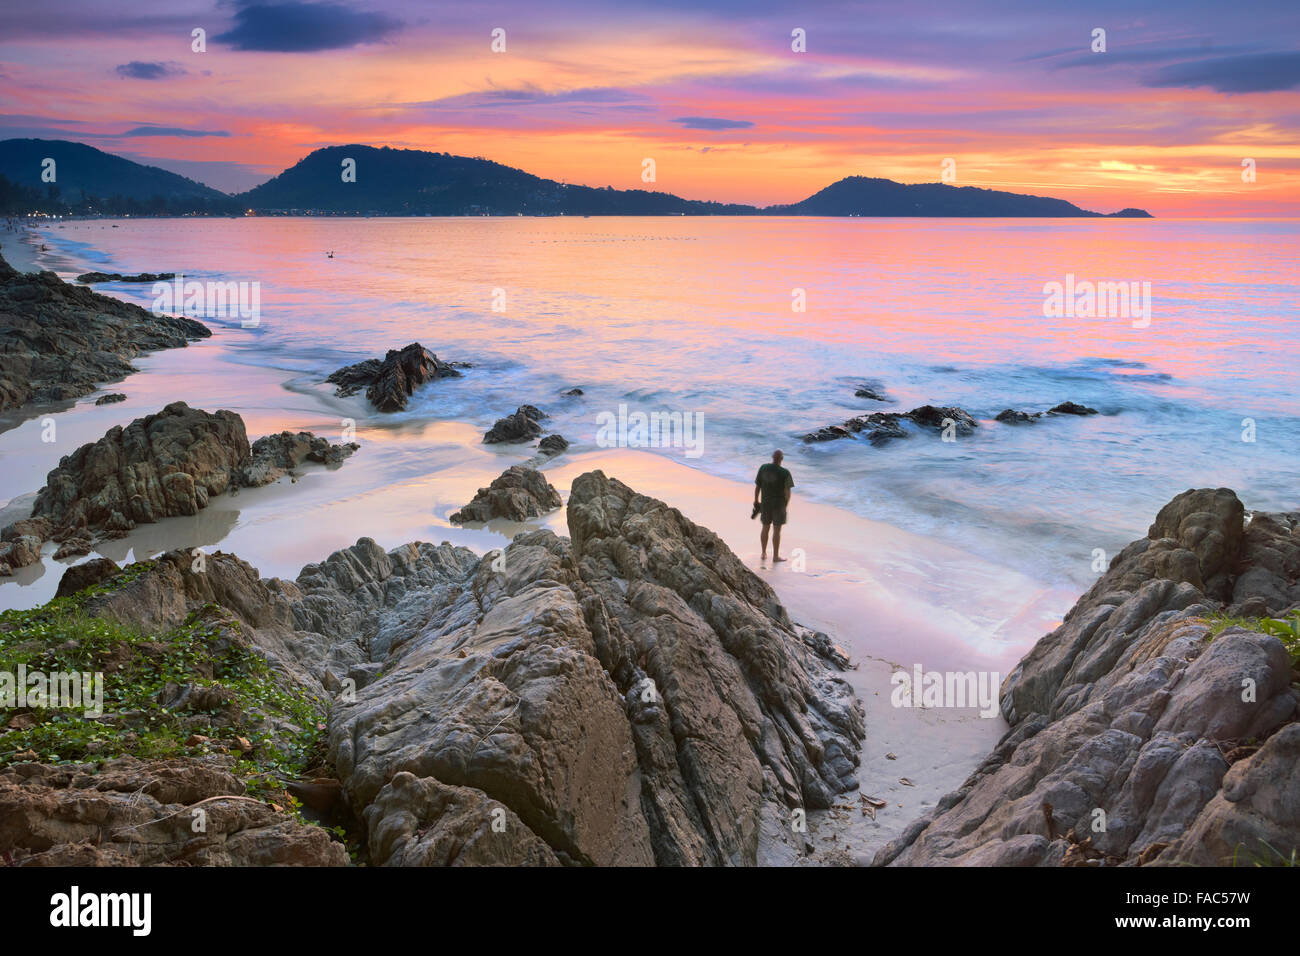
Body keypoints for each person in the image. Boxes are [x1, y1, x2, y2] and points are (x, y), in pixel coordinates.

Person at [753, 449, 794, 562]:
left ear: (772, 457)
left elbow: (758, 486)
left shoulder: (763, 468)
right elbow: (787, 492)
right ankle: (775, 556)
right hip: (779, 505)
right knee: (777, 531)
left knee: (765, 527)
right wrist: (786, 505)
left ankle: (763, 553)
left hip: (765, 503)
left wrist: (756, 500)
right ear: (781, 459)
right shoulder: (785, 473)